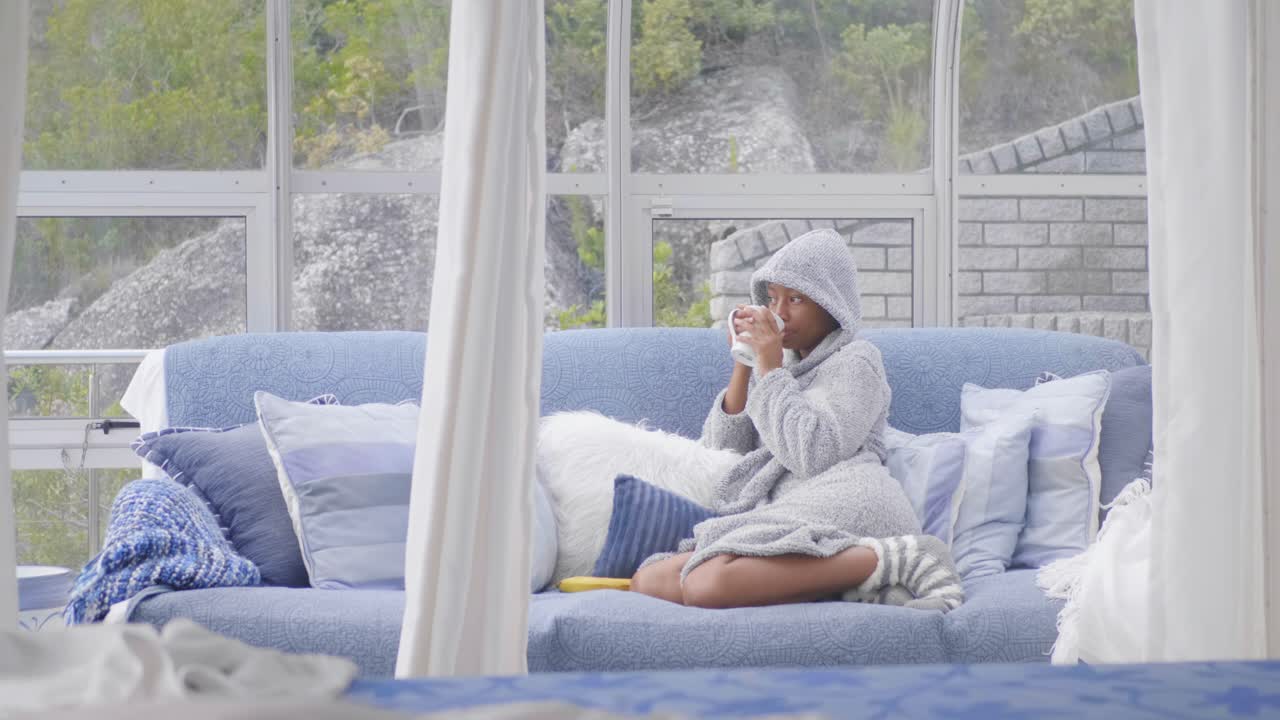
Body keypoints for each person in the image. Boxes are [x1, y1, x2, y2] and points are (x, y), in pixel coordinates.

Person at [630, 228, 964, 611]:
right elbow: (724, 452)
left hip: (850, 500)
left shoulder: (857, 361)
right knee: (649, 581)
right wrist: (745, 362)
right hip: (795, 508)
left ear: (831, 304)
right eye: (773, 299)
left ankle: (902, 556)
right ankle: (859, 581)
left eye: (796, 299)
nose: (780, 313)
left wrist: (770, 368)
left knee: (707, 584)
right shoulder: (781, 369)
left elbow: (814, 453)